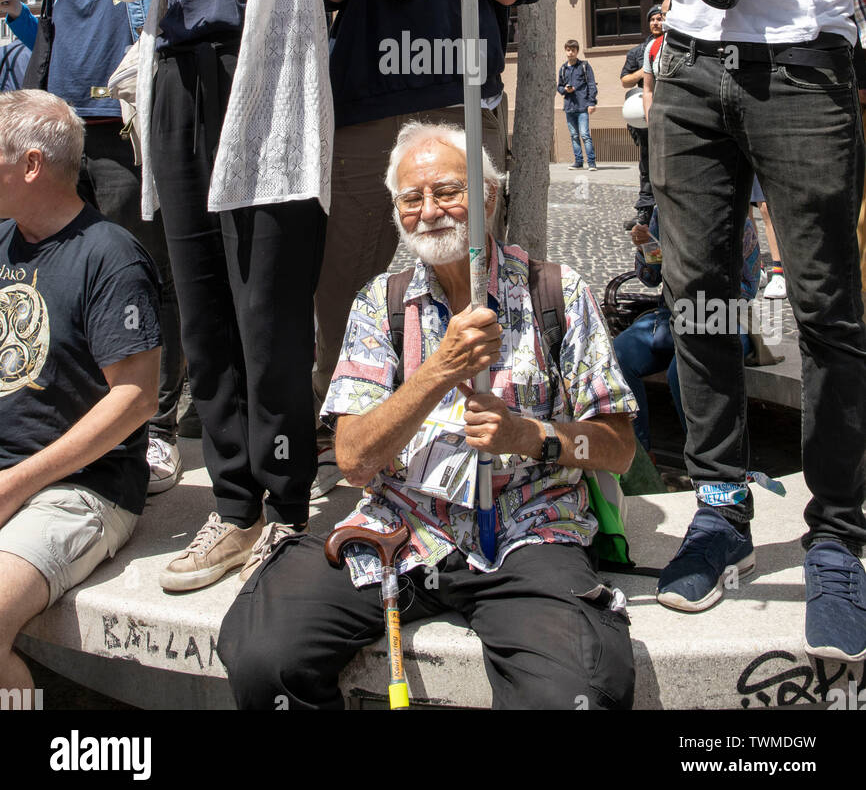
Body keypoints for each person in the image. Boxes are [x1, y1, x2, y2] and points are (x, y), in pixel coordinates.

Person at [217, 120, 637, 711]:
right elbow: (354, 460)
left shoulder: (555, 292)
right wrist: (439, 368)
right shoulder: (380, 304)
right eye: (411, 199)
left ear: (488, 196)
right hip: (401, 530)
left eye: (448, 191)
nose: (430, 211)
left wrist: (532, 435)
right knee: (265, 655)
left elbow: (617, 449)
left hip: (527, 535)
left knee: (574, 693)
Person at [631, 0, 866, 657]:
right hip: (689, 56)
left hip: (807, 57)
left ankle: (838, 533)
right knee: (698, 295)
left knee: (824, 303)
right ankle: (717, 506)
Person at [94, 0, 332, 591]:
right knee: (202, 310)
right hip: (176, 82)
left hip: (265, 80)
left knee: (268, 313)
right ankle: (235, 506)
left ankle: (287, 506)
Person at [312, 0, 547, 493]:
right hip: (365, 102)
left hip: (461, 91)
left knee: (475, 271)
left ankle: (489, 415)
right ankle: (348, 426)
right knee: (340, 276)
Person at [3, 0, 184, 497]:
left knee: (141, 269)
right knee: (60, 269)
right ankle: (70, 408)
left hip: (131, 113)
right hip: (63, 113)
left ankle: (158, 423)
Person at [0, 91, 161, 705]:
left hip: (79, 488)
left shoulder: (109, 255)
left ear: (33, 164)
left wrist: (15, 484)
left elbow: (137, 400)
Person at [615, 207, 760, 459]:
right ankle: (638, 454)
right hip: (671, 317)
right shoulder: (665, 212)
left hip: (724, 319)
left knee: (682, 370)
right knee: (619, 354)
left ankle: (706, 459)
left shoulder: (735, 219)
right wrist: (645, 248)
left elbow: (748, 288)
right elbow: (651, 278)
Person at [620, 4, 664, 228]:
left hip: (668, 111)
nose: (656, 22)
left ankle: (667, 213)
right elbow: (625, 80)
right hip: (644, 116)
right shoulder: (637, 52)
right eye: (653, 19)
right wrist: (644, 69)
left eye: (660, 18)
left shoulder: (671, 46)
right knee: (646, 164)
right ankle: (645, 212)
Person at [557, 38, 598, 169]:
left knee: (585, 135)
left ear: (577, 51)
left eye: (573, 50)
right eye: (568, 50)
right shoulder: (563, 68)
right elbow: (559, 87)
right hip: (569, 107)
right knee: (574, 135)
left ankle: (591, 163)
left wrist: (592, 103)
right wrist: (565, 89)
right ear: (565, 51)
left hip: (582, 106)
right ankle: (578, 162)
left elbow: (591, 84)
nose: (570, 53)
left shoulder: (584, 66)